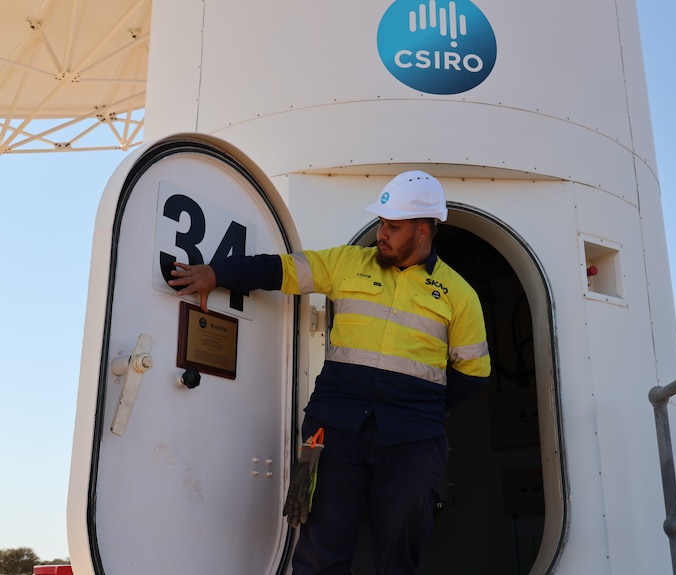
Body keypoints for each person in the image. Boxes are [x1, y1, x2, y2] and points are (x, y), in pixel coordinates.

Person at [168, 170, 491, 575]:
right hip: (335, 430)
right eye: (381, 223)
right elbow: (279, 270)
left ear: (422, 230)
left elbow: (473, 375)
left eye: (392, 226)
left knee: (398, 556)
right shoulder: (347, 262)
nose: (381, 234)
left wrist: (419, 408)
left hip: (412, 440)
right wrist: (217, 274)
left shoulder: (459, 295)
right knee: (320, 549)